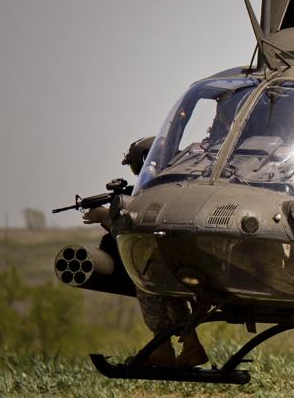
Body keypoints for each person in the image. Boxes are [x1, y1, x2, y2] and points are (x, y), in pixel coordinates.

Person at [82, 137, 209, 369]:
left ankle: (162, 350)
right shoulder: (183, 182)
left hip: (161, 260)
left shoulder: (156, 191)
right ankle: (191, 346)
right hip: (183, 262)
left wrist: (104, 217)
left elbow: (135, 233)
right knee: (172, 295)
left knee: (147, 286)